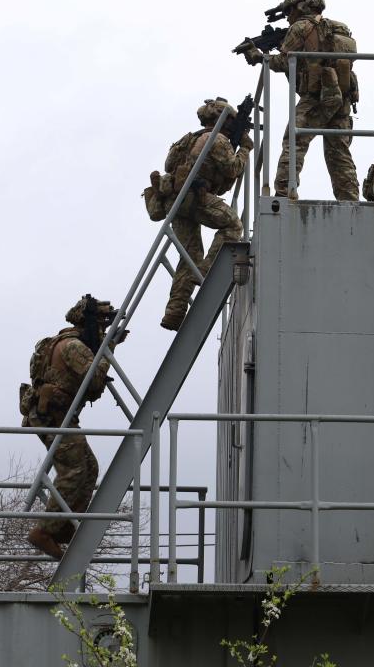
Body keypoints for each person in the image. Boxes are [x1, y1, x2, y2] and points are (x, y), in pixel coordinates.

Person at [19, 294, 125, 559]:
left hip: (58, 415)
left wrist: (105, 346)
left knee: (89, 467)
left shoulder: (70, 342)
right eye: (101, 323)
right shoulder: (74, 346)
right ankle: (44, 531)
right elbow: (94, 381)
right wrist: (107, 349)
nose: (103, 328)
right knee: (75, 468)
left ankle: (64, 527)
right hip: (52, 416)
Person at [238, 0, 359, 201]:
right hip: (341, 98)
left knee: (294, 141)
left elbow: (285, 62)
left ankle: (284, 193)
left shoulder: (300, 28)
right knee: (338, 152)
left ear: (301, 7)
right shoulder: (337, 27)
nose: (288, 17)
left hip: (316, 98)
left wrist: (260, 57)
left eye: (289, 11)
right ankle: (350, 199)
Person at [151, 98, 248, 331]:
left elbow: (168, 165)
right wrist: (244, 149)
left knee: (188, 257)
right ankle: (207, 269)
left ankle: (174, 313)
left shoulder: (189, 138)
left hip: (176, 201)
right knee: (233, 226)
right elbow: (232, 168)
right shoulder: (217, 138)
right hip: (195, 198)